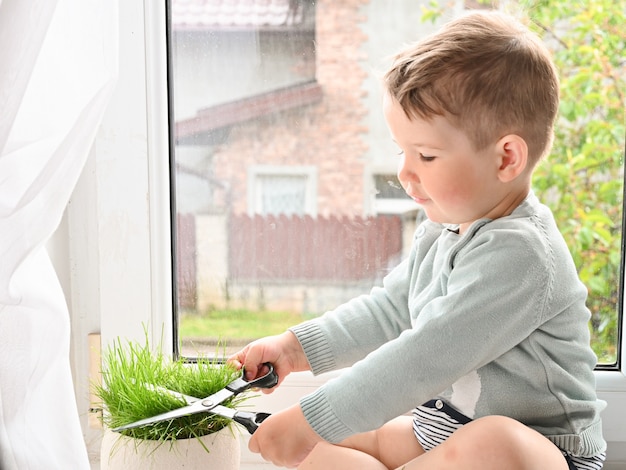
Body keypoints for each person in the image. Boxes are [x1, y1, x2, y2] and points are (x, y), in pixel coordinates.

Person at [229, 10, 607, 470]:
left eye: (426, 155)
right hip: (439, 432)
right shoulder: (445, 230)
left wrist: (310, 419)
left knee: (495, 442)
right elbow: (389, 310)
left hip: (544, 454)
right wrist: (293, 348)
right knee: (325, 449)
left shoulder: (522, 254)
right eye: (402, 151)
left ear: (506, 157)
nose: (405, 173)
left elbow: (422, 359)